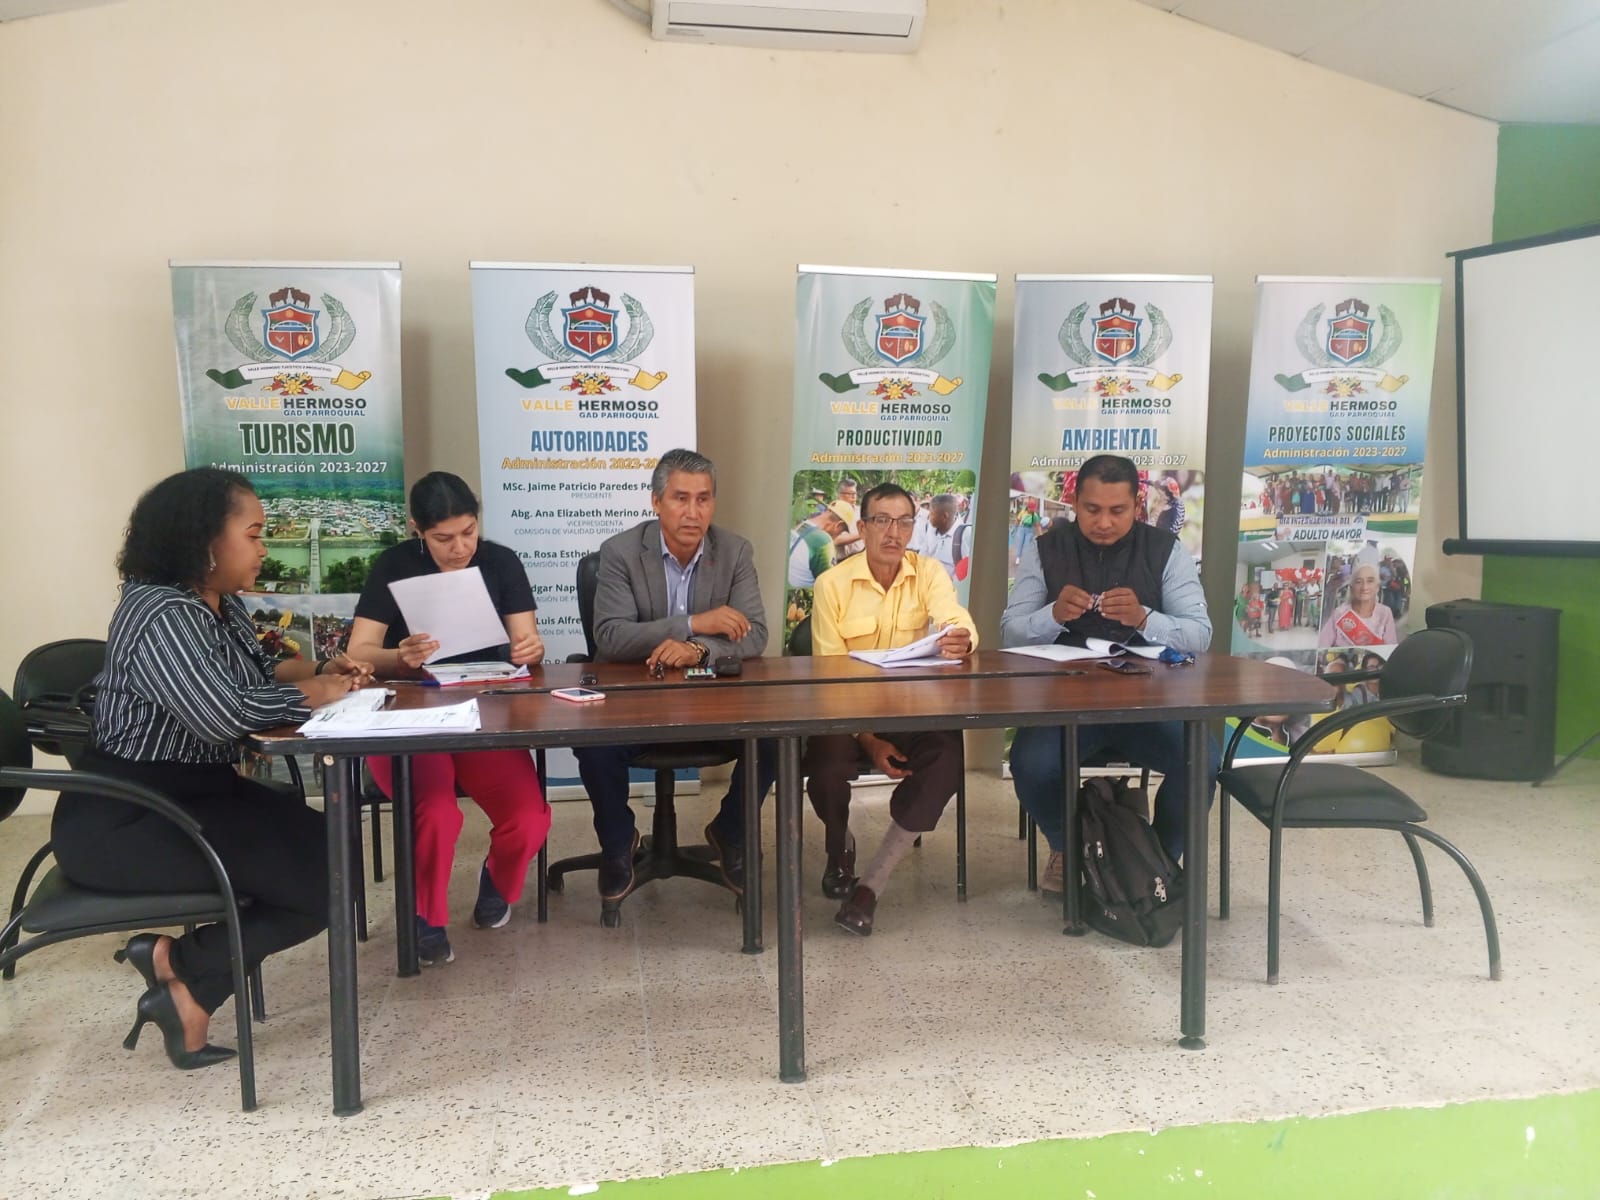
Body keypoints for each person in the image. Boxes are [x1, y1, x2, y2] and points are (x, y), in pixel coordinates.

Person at [52, 468, 361, 1070]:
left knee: (334, 855)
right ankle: (184, 973)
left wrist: (324, 671)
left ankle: (181, 976)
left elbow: (256, 676)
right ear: (204, 541)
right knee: (324, 879)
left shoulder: (217, 605)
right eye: (254, 534)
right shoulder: (160, 612)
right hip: (127, 818)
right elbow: (222, 715)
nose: (264, 549)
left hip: (196, 795)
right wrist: (319, 694)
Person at [348, 471, 551, 966]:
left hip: (481, 709)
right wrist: (400, 657)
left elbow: (527, 642)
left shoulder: (501, 562)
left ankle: (497, 880)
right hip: (408, 714)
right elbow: (359, 652)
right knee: (436, 811)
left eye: (468, 532)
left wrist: (530, 648)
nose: (460, 548)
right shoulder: (394, 564)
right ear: (417, 529)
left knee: (529, 817)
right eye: (443, 538)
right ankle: (425, 915)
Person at [1002, 454, 1217, 888]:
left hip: (1150, 703)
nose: (1103, 522)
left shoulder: (1166, 550)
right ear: (1074, 504)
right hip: (1065, 703)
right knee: (1030, 764)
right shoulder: (1046, 549)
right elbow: (1010, 632)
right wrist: (1051, 615)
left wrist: (1145, 618)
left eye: (1117, 510)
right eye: (1092, 509)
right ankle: (1067, 844)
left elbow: (1200, 635)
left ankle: (1155, 860)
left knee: (1202, 760)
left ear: (1137, 505)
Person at [575, 448, 776, 901]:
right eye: (680, 498)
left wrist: (698, 649)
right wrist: (694, 623)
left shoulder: (734, 552)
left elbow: (757, 634)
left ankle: (730, 831)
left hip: (709, 704)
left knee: (775, 736)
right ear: (656, 501)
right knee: (592, 743)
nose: (693, 511)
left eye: (703, 499)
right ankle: (617, 842)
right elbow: (610, 637)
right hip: (636, 703)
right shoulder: (620, 552)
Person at [804, 482, 977, 936]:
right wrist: (869, 739)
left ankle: (871, 884)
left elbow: (953, 615)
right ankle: (839, 844)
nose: (893, 532)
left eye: (903, 522)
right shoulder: (832, 584)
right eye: (882, 520)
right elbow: (829, 677)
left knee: (947, 759)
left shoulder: (928, 572)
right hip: (846, 711)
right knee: (825, 765)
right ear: (862, 528)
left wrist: (961, 637)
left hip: (910, 708)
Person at [1317, 561, 1397, 648]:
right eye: (1358, 582)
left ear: (1377, 587)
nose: (1364, 587)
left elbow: (1391, 649)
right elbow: (1322, 645)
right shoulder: (1339, 613)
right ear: (1351, 588)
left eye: (1370, 581)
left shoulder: (1385, 613)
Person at [910, 493, 968, 582]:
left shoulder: (964, 535)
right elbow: (922, 558)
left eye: (932, 513)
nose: (929, 516)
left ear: (944, 516)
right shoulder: (931, 529)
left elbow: (966, 575)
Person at [787, 502, 846, 589]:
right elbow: (830, 585)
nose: (838, 535)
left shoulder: (802, 525)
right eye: (841, 532)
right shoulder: (823, 541)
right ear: (839, 525)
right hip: (801, 594)